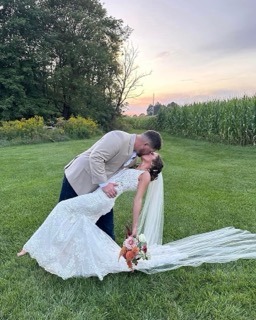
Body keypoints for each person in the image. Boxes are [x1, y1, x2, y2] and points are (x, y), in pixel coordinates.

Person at [17, 151, 256, 280]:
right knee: (75, 220)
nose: (150, 153)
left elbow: (137, 200)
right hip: (104, 200)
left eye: (153, 155)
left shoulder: (144, 177)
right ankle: (55, 250)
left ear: (154, 165)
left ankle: (32, 245)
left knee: (63, 208)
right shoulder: (135, 166)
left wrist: (134, 227)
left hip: (103, 199)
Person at [58, 130, 162, 240]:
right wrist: (104, 184)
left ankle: (105, 253)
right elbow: (96, 157)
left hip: (103, 194)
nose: (147, 154)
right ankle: (57, 246)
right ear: (145, 145)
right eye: (150, 151)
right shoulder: (118, 137)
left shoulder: (134, 158)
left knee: (106, 231)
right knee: (65, 215)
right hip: (79, 178)